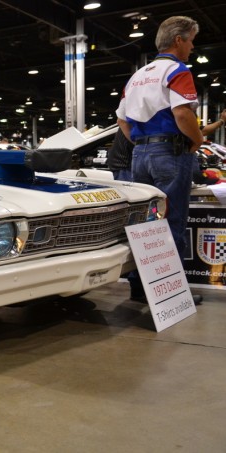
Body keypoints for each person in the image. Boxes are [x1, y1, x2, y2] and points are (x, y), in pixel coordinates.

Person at [116, 16, 203, 305]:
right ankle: (172, 294)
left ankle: (140, 288)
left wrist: (142, 145)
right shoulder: (177, 70)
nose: (192, 46)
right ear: (178, 40)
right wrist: (198, 139)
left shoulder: (137, 76)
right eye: (190, 40)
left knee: (145, 225)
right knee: (172, 222)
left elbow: (122, 119)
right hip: (170, 153)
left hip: (140, 155)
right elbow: (182, 114)